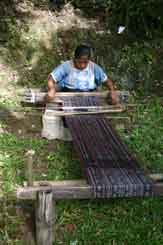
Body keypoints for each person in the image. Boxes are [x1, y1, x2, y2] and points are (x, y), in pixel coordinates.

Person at [47, 45, 118, 104]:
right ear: (74, 59)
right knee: (72, 117)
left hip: (90, 96)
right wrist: (52, 89)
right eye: (79, 62)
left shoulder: (93, 67)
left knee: (92, 116)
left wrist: (112, 91)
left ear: (89, 60)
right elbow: (51, 78)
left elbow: (106, 80)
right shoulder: (66, 66)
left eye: (85, 62)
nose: (82, 65)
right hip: (69, 95)